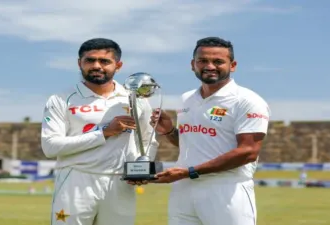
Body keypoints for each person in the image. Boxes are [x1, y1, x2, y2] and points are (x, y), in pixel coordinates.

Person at [149, 37, 271, 225]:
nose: (210, 66)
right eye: (203, 61)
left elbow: (248, 152)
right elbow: (192, 143)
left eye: (218, 61)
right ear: (193, 64)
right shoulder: (186, 99)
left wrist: (189, 172)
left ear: (233, 65)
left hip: (225, 188)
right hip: (184, 189)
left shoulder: (247, 100)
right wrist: (168, 131)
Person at [41, 38, 159, 225]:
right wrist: (104, 133)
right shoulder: (61, 99)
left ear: (118, 65)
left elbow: (148, 139)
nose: (97, 66)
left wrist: (142, 169)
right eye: (90, 60)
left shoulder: (135, 98)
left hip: (120, 182)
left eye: (104, 61)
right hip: (76, 179)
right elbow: (50, 146)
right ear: (80, 63)